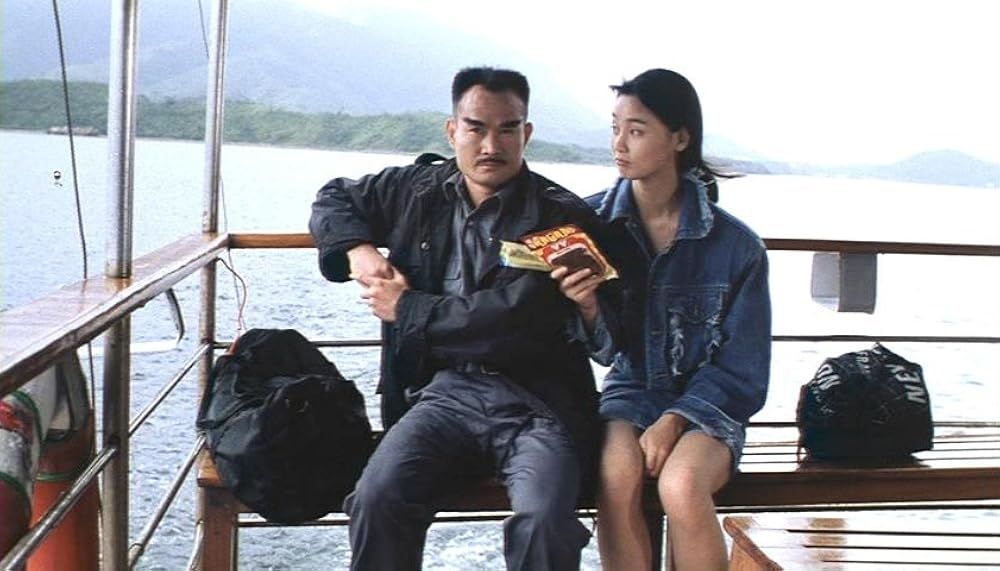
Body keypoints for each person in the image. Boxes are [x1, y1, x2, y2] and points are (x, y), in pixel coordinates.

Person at [309, 66, 601, 570]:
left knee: (545, 520)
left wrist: (408, 308)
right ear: (452, 131)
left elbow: (517, 315)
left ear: (526, 133)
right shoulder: (415, 190)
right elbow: (334, 197)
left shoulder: (561, 217)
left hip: (538, 403)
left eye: (508, 128)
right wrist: (357, 251)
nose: (492, 144)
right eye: (476, 127)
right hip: (440, 394)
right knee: (377, 498)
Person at [552, 69, 771, 570]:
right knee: (615, 475)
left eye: (636, 129)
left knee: (681, 483)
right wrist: (586, 306)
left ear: (679, 138)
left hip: (710, 409)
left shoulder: (736, 247)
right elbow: (604, 352)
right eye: (615, 128)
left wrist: (674, 421)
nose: (619, 144)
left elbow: (745, 372)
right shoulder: (589, 228)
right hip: (629, 394)